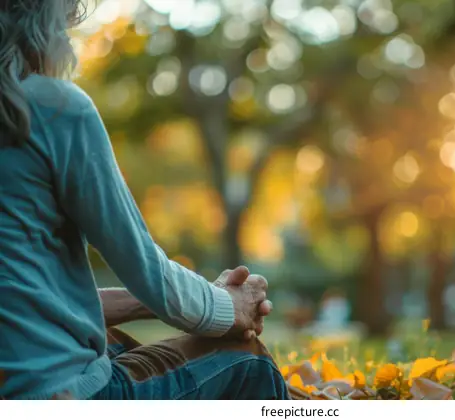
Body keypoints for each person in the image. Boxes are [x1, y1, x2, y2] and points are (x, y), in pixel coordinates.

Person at [0, 0, 288, 400]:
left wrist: (202, 297)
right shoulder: (51, 108)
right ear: (37, 21)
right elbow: (146, 270)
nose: (68, 37)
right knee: (247, 357)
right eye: (64, 22)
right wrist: (229, 307)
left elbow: (28, 297)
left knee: (109, 337)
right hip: (55, 397)